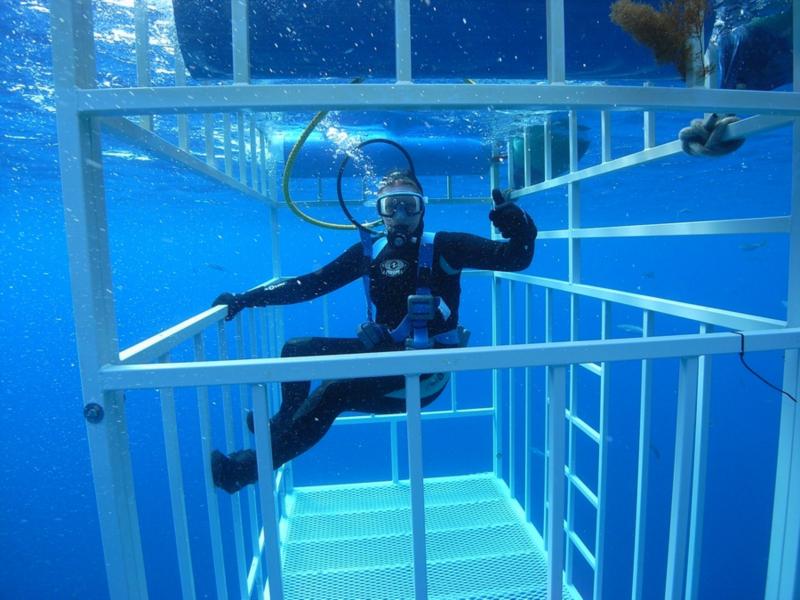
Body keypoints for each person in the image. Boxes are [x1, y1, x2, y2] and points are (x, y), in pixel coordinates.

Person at [210, 170, 537, 493]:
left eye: (409, 205)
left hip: (426, 373)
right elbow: (308, 285)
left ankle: (246, 469)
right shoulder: (370, 253)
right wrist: (247, 299)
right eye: (391, 205)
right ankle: (282, 426)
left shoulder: (446, 246)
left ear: (423, 208)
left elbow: (514, 258)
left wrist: (519, 226)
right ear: (379, 211)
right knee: (295, 349)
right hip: (383, 357)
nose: (400, 215)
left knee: (334, 392)